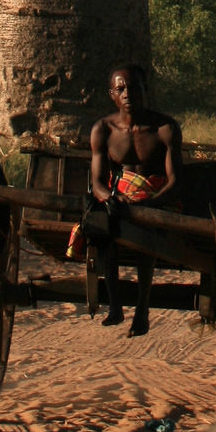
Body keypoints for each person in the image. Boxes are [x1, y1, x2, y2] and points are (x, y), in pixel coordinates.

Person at [85, 64, 182, 331]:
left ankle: (142, 309)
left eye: (133, 88)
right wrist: (111, 197)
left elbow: (174, 181)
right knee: (104, 228)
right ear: (112, 95)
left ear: (145, 91)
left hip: (154, 198)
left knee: (146, 233)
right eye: (121, 89)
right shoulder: (103, 130)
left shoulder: (165, 129)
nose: (128, 94)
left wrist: (150, 203)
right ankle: (115, 305)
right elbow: (96, 182)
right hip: (119, 198)